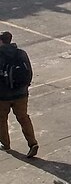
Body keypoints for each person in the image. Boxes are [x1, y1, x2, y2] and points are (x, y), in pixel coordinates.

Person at [0, 30, 38, 158]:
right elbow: (29, 72)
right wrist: (25, 87)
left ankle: (5, 143)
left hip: (3, 96)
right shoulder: (21, 53)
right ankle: (32, 143)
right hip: (21, 94)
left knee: (1, 119)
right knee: (23, 118)